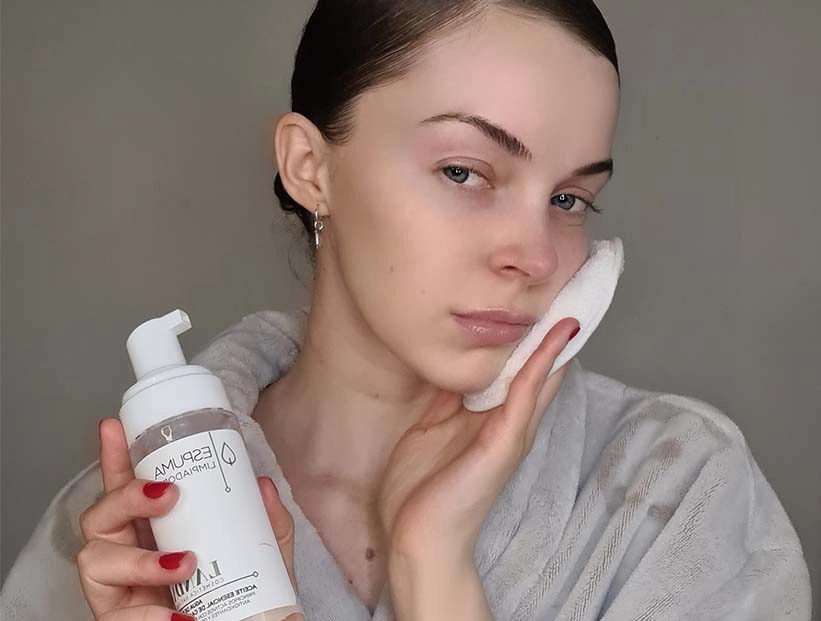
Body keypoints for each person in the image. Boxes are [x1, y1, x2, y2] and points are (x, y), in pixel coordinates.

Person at [1, 1, 812, 620]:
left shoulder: (680, 490)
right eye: (464, 171)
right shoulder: (121, 536)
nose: (533, 254)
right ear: (309, 167)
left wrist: (434, 568)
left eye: (569, 198)